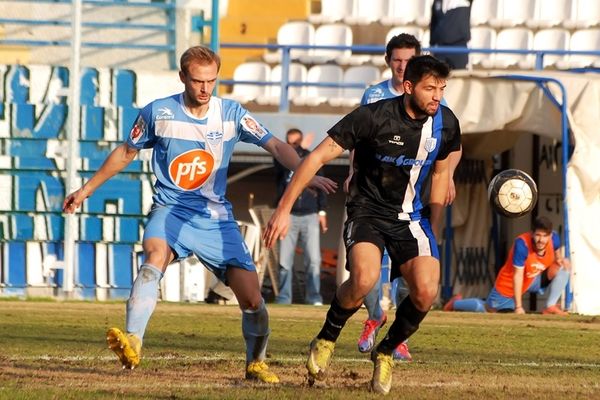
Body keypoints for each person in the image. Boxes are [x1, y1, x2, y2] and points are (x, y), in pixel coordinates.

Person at [62, 45, 336, 383]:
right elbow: (125, 152)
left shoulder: (231, 113)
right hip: (171, 209)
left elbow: (277, 146)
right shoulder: (158, 113)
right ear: (182, 78)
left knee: (251, 297)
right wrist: (86, 190)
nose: (205, 89)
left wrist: (307, 173)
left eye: (211, 81)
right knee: (154, 256)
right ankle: (133, 340)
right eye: (197, 81)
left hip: (214, 217)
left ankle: (255, 363)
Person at [263, 55, 462, 394]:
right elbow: (316, 158)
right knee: (365, 278)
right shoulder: (373, 116)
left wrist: (435, 229)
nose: (437, 96)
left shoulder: (445, 123)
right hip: (367, 211)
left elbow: (442, 174)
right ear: (409, 87)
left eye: (441, 89)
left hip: (411, 218)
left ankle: (384, 351)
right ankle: (327, 338)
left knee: (427, 291)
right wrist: (284, 209)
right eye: (430, 88)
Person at [352, 33, 462, 362]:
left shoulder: (434, 105)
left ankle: (399, 336)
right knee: (367, 270)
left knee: (412, 267)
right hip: (373, 196)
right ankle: (374, 316)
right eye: (397, 60)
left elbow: (448, 144)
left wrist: (449, 175)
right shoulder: (374, 96)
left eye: (407, 60)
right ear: (389, 62)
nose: (401, 66)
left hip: (412, 194)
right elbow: (359, 139)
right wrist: (351, 175)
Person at [443, 216, 571, 315]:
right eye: (538, 235)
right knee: (487, 309)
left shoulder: (554, 238)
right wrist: (518, 307)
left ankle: (550, 306)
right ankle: (456, 304)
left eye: (544, 236)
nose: (541, 240)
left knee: (563, 268)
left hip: (531, 279)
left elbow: (556, 250)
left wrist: (560, 259)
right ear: (532, 233)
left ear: (549, 236)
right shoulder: (522, 244)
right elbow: (517, 276)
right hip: (508, 285)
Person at [274, 128, 327, 305]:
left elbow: (321, 185)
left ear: (303, 142)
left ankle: (314, 297)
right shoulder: (281, 160)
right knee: (284, 261)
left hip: (310, 215)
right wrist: (297, 151)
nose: (292, 146)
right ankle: (284, 298)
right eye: (289, 143)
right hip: (288, 216)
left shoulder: (311, 157)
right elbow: (280, 167)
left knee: (313, 260)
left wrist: (322, 211)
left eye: (295, 143)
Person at [429, 0, 472, 70]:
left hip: (458, 49)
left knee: (459, 79)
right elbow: (433, 24)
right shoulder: (437, 2)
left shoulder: (463, 2)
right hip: (440, 49)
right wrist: (431, 44)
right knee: (439, 78)